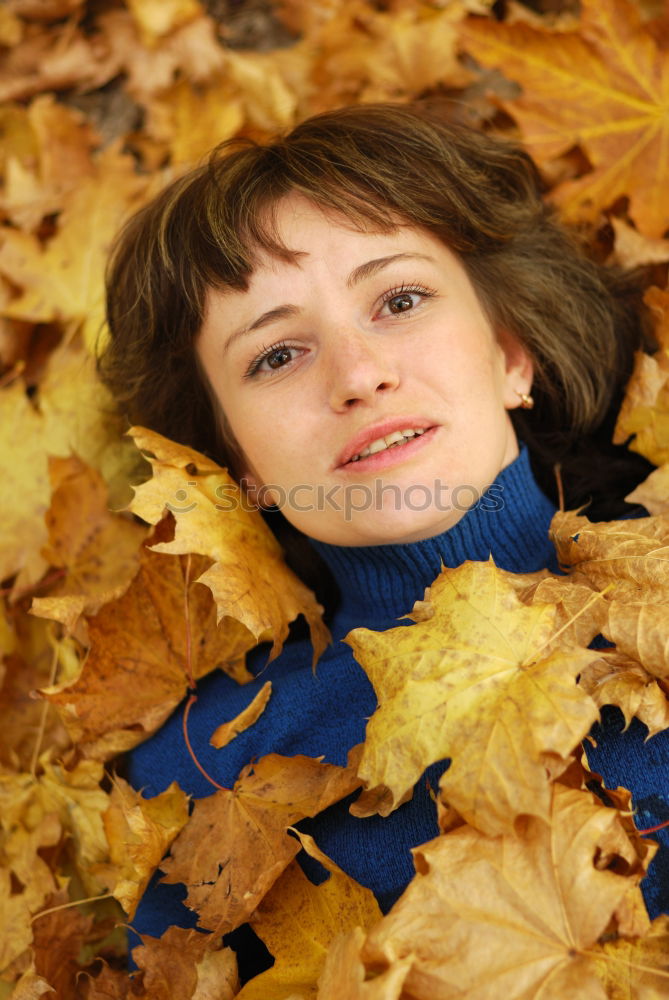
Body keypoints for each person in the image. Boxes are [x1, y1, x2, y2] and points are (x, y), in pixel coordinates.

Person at [99, 102, 666, 980]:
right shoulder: (200, 777)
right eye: (276, 356)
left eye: (399, 300)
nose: (359, 373)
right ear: (233, 465)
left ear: (510, 354)